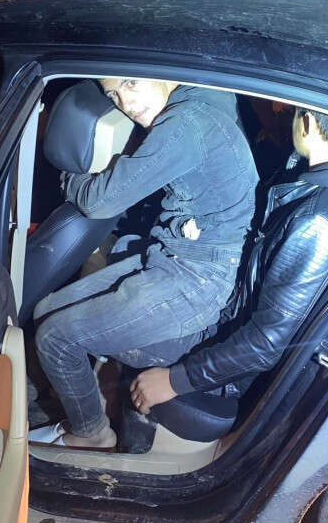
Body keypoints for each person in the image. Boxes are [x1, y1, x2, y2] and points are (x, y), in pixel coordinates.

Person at [29, 78, 259, 450]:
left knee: (55, 338)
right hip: (172, 257)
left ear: (166, 75)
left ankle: (92, 434)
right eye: (114, 95)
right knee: (46, 312)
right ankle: (79, 400)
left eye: (131, 84)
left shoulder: (187, 124)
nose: (127, 104)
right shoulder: (204, 102)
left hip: (197, 279)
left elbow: (98, 202)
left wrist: (68, 173)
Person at [128, 106, 328, 415]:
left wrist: (175, 380)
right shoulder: (320, 180)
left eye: (292, 113)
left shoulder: (319, 222)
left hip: (225, 349)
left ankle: (103, 431)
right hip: (228, 309)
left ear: (308, 123)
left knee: (94, 332)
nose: (286, 119)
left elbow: (266, 343)